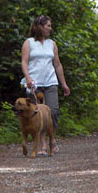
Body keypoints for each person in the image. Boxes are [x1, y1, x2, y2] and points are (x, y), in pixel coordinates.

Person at [21, 15, 71, 153]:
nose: (50, 28)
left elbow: (57, 64)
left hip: (51, 82)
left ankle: (52, 138)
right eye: (48, 25)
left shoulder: (52, 44)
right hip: (34, 84)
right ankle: (43, 145)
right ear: (40, 27)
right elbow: (24, 62)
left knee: (53, 111)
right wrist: (27, 77)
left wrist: (64, 84)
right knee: (37, 114)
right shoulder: (29, 43)